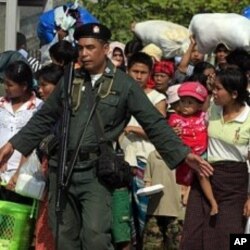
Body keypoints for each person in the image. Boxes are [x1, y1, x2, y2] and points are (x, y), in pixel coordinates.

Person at [0, 23, 213, 250]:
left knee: (95, 236)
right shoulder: (70, 78)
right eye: (80, 48)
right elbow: (44, 117)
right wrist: (13, 145)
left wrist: (184, 154)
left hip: (96, 172)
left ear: (105, 48)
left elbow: (153, 122)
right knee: (63, 237)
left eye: (90, 48)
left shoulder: (123, 84)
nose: (84, 53)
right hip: (61, 168)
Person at [180, 68, 250, 250]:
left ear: (234, 94)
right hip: (205, 177)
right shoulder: (212, 109)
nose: (214, 92)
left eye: (218, 89)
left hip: (234, 185)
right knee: (192, 235)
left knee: (231, 237)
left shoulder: (249, 118)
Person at [125, 51, 166, 248]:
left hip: (145, 162)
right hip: (123, 162)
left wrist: (133, 129)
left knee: (144, 215)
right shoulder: (120, 95)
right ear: (127, 71)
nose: (139, 76)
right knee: (125, 216)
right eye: (135, 71)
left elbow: (159, 130)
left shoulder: (157, 98)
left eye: (143, 72)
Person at [168, 81, 218, 216]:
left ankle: (213, 202)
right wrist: (173, 132)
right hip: (186, 156)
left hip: (203, 153)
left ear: (199, 105)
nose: (185, 106)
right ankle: (186, 197)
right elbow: (169, 136)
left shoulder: (204, 116)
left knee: (202, 174)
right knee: (184, 179)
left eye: (190, 103)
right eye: (183, 101)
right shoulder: (174, 119)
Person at [0, 60, 43, 203]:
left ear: (24, 86)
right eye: (4, 83)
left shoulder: (39, 108)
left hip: (25, 177)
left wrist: (19, 172)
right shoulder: (1, 104)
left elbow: (35, 143)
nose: (6, 88)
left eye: (10, 85)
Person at [35, 63, 64, 250]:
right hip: (47, 171)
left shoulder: (69, 112)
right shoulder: (43, 110)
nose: (40, 90)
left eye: (44, 85)